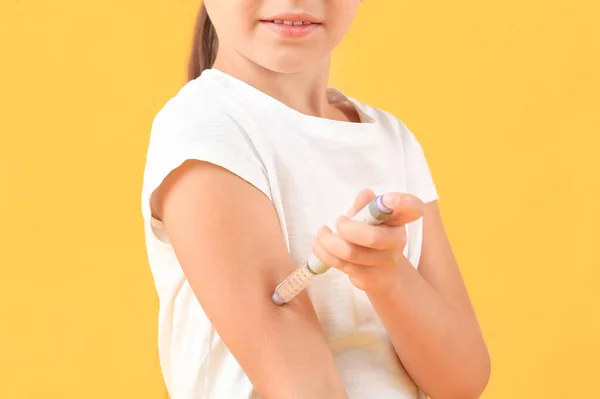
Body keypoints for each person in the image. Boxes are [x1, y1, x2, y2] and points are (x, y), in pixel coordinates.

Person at [141, 1, 490, 398]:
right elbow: (304, 388)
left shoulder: (392, 139)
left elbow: (462, 380)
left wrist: (387, 277)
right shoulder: (204, 127)